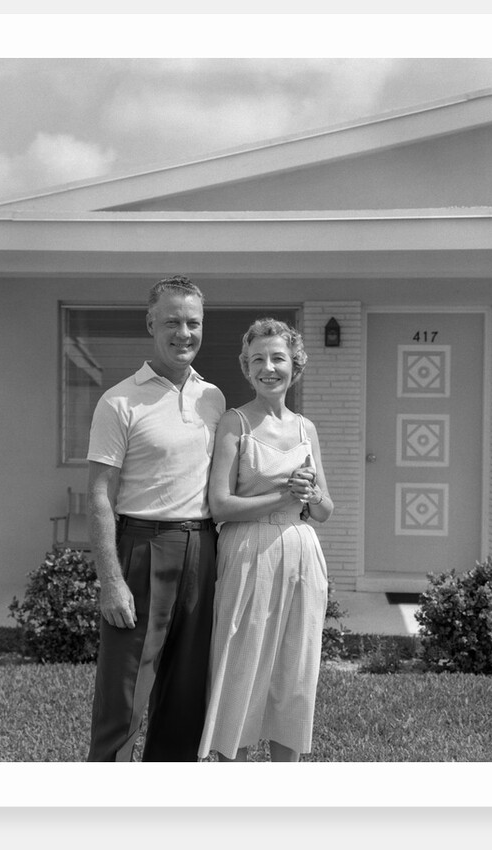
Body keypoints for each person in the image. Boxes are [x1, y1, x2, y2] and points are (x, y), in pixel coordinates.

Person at [86, 275, 225, 762]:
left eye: (193, 322)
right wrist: (111, 582)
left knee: (188, 699)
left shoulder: (214, 399)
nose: (183, 332)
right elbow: (99, 494)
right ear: (150, 323)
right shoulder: (120, 401)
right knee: (124, 700)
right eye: (172, 321)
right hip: (144, 548)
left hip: (203, 548)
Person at [197, 318, 333, 762]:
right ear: (245, 367)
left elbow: (326, 510)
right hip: (248, 551)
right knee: (242, 666)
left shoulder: (305, 429)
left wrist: (311, 496)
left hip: (302, 552)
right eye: (258, 360)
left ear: (295, 365)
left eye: (278, 358)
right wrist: (281, 496)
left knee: (295, 671)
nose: (268, 368)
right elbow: (220, 506)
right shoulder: (234, 424)